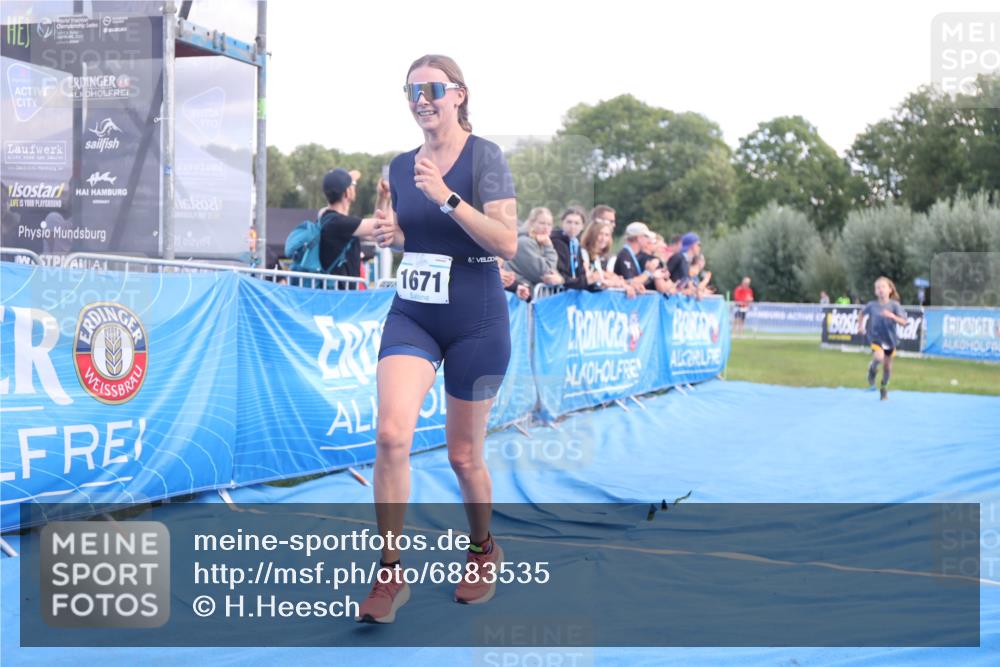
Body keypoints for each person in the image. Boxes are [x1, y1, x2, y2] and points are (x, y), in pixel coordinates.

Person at [361, 54, 519, 623]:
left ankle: (482, 550)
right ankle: (389, 572)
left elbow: (506, 243)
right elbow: (414, 237)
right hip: (415, 314)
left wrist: (447, 197)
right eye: (411, 90)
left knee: (463, 454)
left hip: (476, 318)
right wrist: (394, 232)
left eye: (431, 88)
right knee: (389, 435)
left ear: (458, 94)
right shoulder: (400, 166)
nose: (420, 99)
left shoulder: (487, 158)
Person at [316, 168, 390, 288]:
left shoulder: (326, 218)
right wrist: (396, 192)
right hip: (342, 298)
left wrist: (382, 197)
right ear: (347, 193)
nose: (355, 187)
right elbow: (383, 226)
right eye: (353, 185)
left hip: (335, 295)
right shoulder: (340, 223)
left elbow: (376, 233)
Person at [856, 276, 908, 401]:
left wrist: (892, 317)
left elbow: (904, 322)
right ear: (875, 291)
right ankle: (872, 369)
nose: (880, 289)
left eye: (883, 287)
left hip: (890, 341)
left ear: (890, 290)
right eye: (877, 287)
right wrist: (860, 326)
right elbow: (861, 314)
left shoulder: (894, 306)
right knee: (879, 357)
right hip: (876, 339)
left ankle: (884, 388)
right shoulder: (872, 305)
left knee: (887, 368)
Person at [506, 206, 564, 288]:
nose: (546, 227)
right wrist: (549, 247)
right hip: (521, 296)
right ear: (531, 223)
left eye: (549, 224)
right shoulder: (525, 243)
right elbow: (546, 274)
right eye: (542, 223)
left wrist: (560, 279)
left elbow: (554, 272)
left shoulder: (540, 243)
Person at [614, 221, 674, 295]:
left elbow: (636, 282)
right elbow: (631, 281)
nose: (649, 240)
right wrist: (649, 272)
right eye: (646, 237)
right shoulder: (625, 254)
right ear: (639, 238)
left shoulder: (632, 255)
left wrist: (652, 275)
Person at [579, 220, 635, 297]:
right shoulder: (582, 252)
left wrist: (621, 283)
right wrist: (605, 277)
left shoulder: (609, 257)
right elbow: (588, 275)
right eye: (600, 234)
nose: (603, 238)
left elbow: (611, 277)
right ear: (592, 235)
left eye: (607, 235)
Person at [551, 206, 597, 290]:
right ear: (562, 222)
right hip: (561, 291)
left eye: (576, 223)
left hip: (575, 288)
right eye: (569, 222)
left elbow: (581, 272)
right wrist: (585, 281)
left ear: (582, 226)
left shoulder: (579, 244)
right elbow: (561, 274)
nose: (572, 226)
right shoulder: (556, 243)